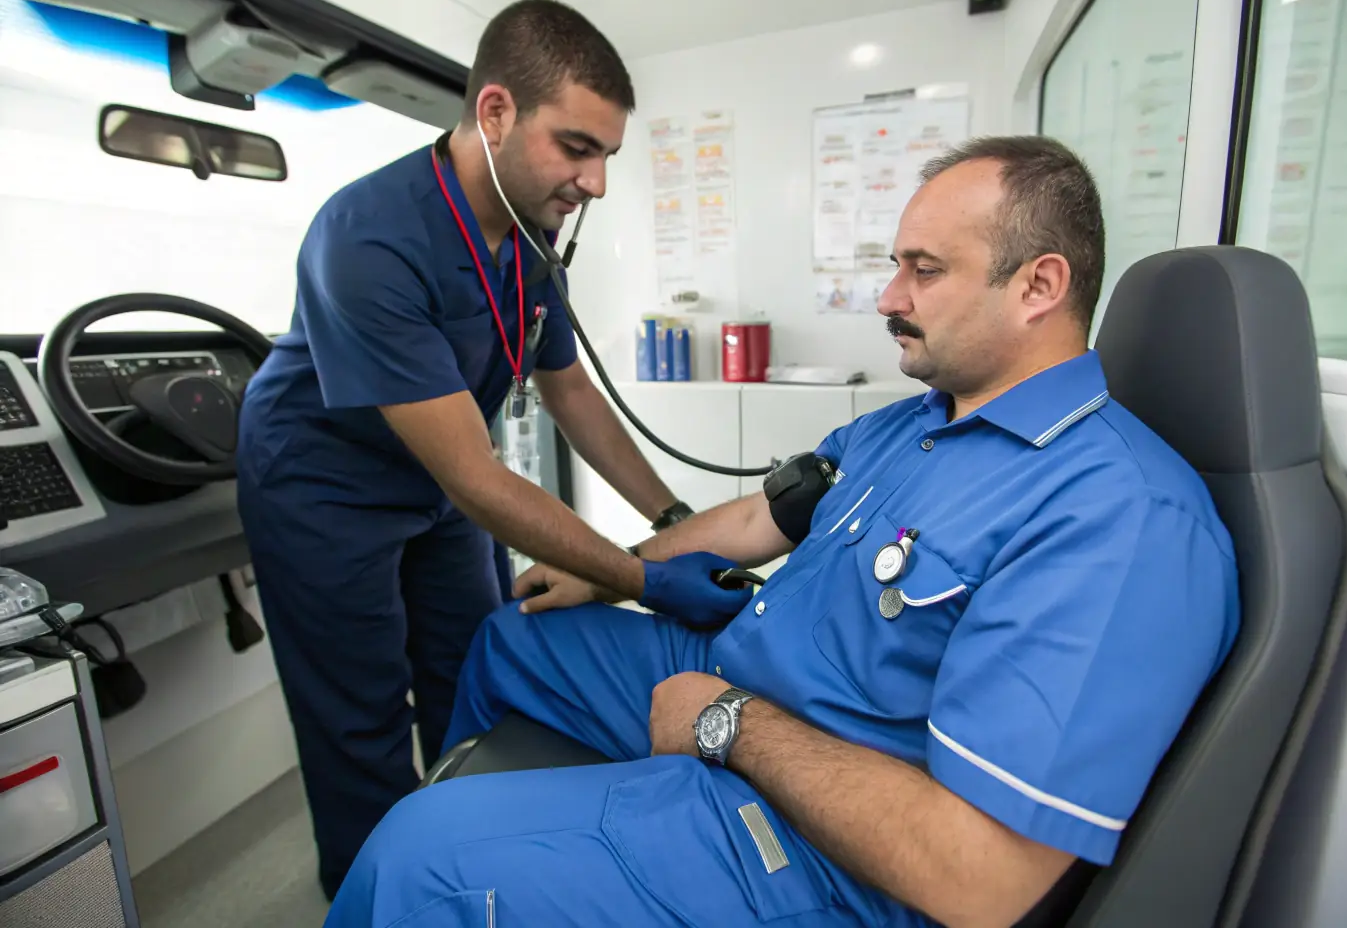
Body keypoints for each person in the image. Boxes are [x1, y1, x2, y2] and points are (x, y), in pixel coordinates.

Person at [323, 136, 1242, 928]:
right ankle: (552, 851)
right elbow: (758, 519)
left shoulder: (1117, 519)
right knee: (512, 636)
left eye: (924, 270)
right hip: (743, 683)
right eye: (896, 265)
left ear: (1039, 285)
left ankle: (518, 866)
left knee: (419, 852)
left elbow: (980, 878)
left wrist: (726, 724)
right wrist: (612, 569)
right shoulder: (913, 421)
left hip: (824, 830)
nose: (889, 295)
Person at [235, 0, 693, 900]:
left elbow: (568, 389)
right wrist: (643, 575)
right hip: (321, 483)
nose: (595, 182)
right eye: (576, 147)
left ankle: (464, 865)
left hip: (434, 483)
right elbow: (479, 478)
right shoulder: (367, 235)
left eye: (606, 155)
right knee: (359, 716)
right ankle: (374, 898)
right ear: (494, 113)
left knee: (473, 664)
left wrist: (673, 519)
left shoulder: (530, 230)